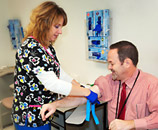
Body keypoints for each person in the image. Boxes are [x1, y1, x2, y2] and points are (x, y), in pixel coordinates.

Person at [40, 40, 158, 130]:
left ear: (127, 63)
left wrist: (131, 124)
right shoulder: (109, 80)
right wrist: (55, 105)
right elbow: (84, 97)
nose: (109, 67)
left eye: (112, 63)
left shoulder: (152, 85)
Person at [12, 1, 98, 130]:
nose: (60, 31)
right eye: (57, 26)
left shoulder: (47, 48)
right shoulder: (30, 48)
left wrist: (80, 86)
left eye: (61, 27)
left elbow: (59, 73)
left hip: (43, 114)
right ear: (43, 24)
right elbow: (52, 83)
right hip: (29, 118)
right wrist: (87, 92)